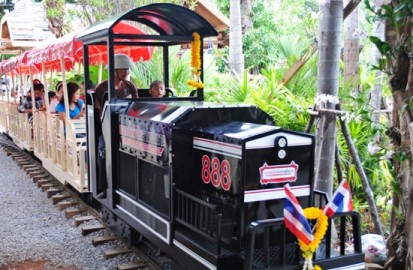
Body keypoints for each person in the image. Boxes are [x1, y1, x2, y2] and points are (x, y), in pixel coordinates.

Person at [94, 53, 138, 199]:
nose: (125, 72)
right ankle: (102, 187)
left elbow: (136, 106)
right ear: (114, 70)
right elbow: (100, 110)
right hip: (108, 126)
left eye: (126, 69)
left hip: (127, 127)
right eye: (122, 69)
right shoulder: (101, 88)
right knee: (102, 151)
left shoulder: (130, 86)